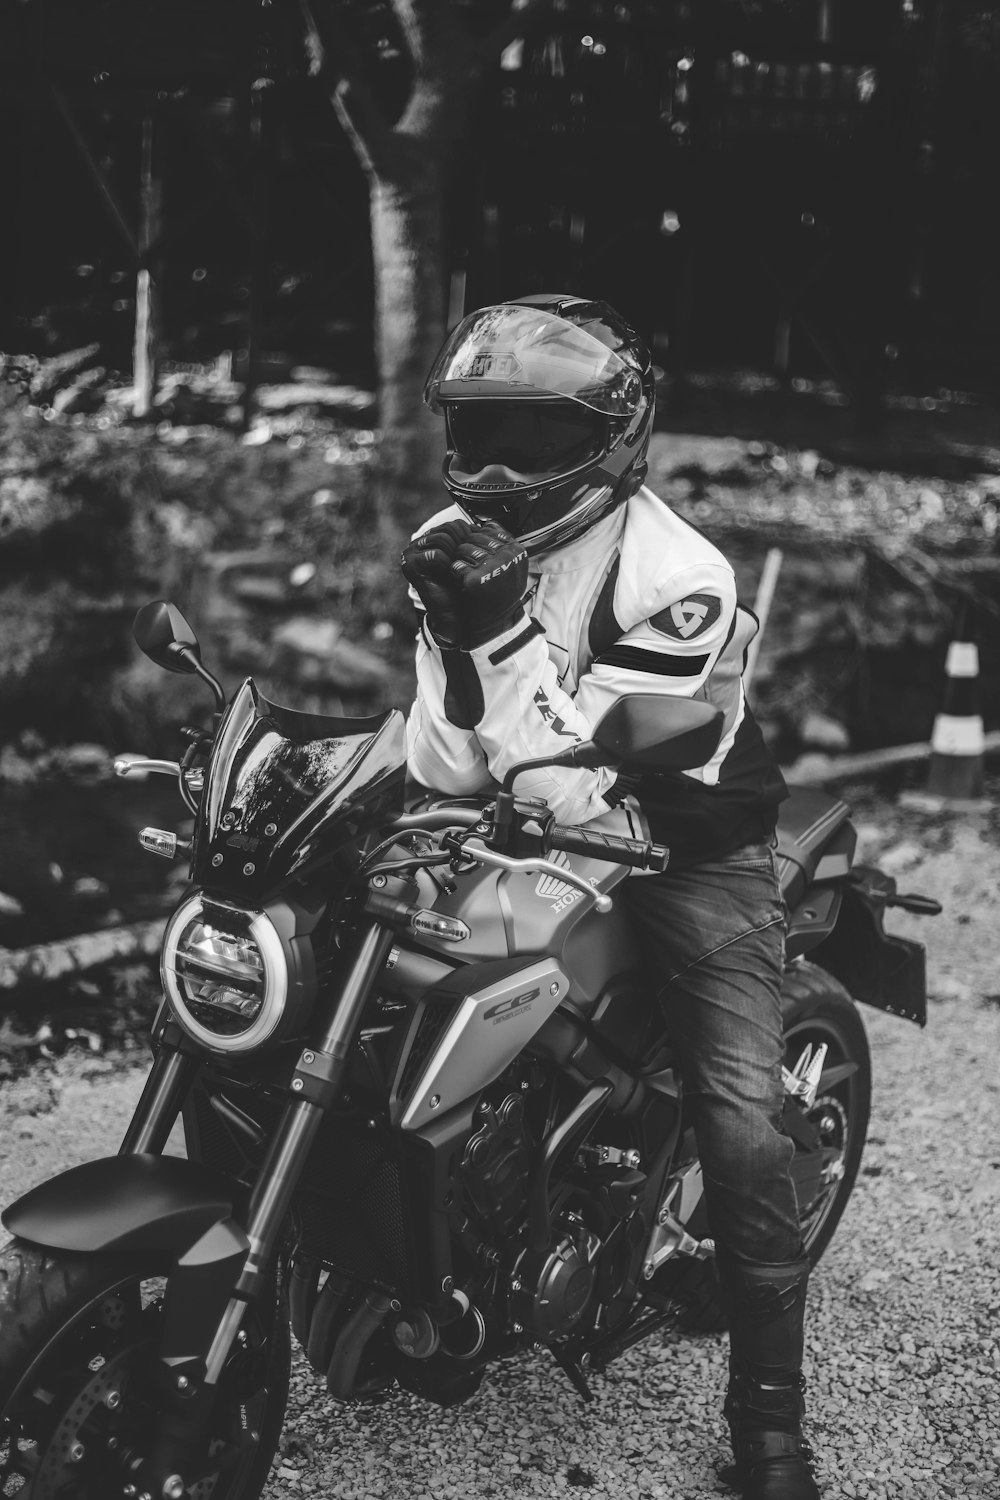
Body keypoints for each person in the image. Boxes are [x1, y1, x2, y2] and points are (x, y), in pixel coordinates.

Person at [400, 293, 819, 1500]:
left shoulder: (680, 575)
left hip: (684, 844)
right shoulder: (457, 534)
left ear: (609, 437)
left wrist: (494, 636)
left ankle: (770, 1422)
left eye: (525, 442)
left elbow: (576, 781)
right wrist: (461, 640)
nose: (490, 470)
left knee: (740, 1122)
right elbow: (443, 757)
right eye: (474, 435)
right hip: (528, 821)